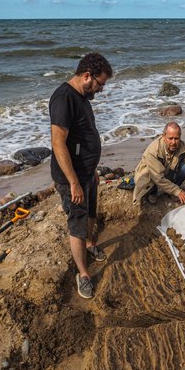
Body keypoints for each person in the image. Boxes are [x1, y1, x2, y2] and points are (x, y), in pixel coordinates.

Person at [49, 52, 113, 299]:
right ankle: (83, 273)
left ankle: (89, 245)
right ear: (88, 76)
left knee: (90, 213)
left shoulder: (82, 96)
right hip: (71, 178)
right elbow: (58, 143)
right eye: (100, 84)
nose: (100, 89)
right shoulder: (64, 98)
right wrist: (74, 182)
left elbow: (82, 136)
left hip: (87, 173)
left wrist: (92, 170)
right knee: (77, 223)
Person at [133, 122, 185, 208]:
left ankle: (171, 191)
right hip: (152, 177)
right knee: (148, 177)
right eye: (170, 138)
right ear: (164, 137)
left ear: (180, 137)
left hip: (167, 172)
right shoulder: (153, 151)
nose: (173, 142)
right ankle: (153, 192)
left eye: (176, 138)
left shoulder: (184, 147)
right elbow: (157, 178)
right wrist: (178, 191)